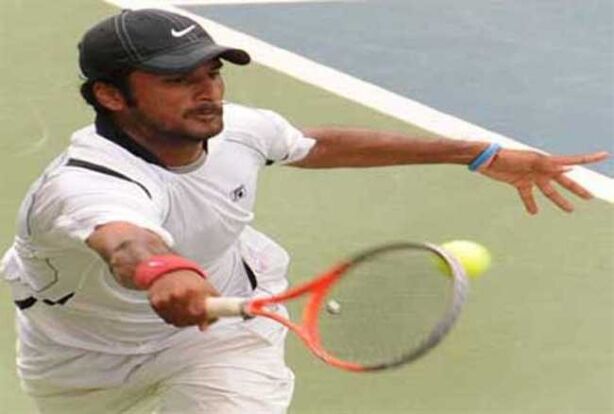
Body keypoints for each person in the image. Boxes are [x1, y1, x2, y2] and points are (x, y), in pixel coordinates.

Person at [0, 8, 607, 414]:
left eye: (212, 73)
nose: (208, 91)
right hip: (79, 362)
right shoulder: (83, 186)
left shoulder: (239, 130)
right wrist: (167, 274)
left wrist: (474, 152)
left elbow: (312, 145)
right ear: (110, 95)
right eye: (178, 80)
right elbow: (128, 242)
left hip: (227, 333)